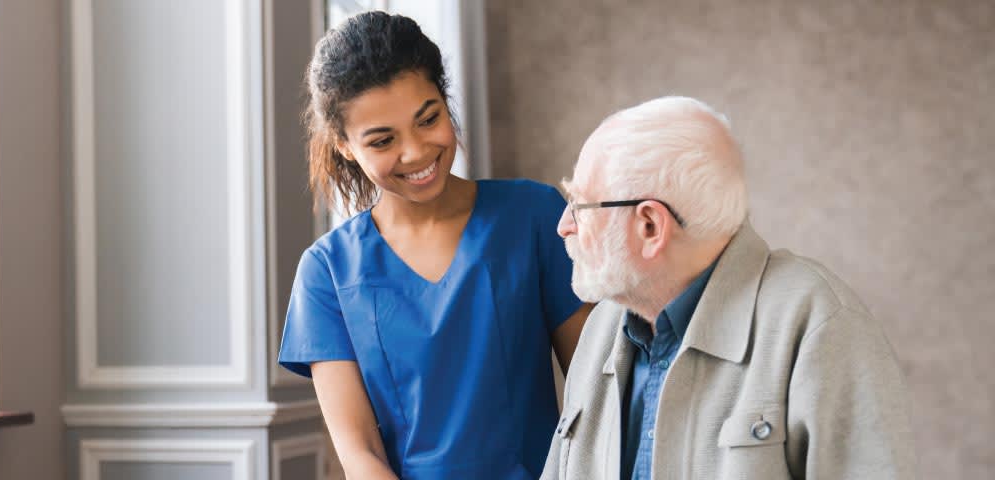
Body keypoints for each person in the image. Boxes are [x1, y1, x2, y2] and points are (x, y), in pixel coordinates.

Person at [276, 11, 592, 479]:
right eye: (383, 140)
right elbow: (359, 451)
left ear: (446, 101)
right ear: (345, 145)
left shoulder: (534, 215)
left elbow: (596, 395)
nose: (417, 152)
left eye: (429, 119)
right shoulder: (327, 271)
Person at [543, 96, 915, 479]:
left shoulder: (820, 323)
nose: (564, 225)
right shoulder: (601, 328)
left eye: (581, 205)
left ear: (650, 226)